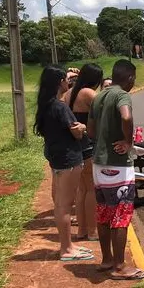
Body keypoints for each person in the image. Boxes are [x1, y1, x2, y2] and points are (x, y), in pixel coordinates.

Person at [87, 59, 144, 281]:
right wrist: (127, 141)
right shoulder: (122, 95)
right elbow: (126, 116)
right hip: (118, 165)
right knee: (121, 215)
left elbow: (91, 130)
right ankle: (120, 266)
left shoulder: (99, 96)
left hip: (99, 164)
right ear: (130, 78)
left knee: (104, 213)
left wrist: (104, 139)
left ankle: (106, 259)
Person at [33, 65, 92, 262]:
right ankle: (66, 249)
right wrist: (83, 127)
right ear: (60, 83)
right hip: (69, 158)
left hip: (56, 157)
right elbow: (76, 130)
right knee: (64, 206)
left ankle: (68, 245)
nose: (69, 82)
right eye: (67, 79)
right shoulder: (60, 106)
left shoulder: (46, 105)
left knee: (61, 203)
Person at [64, 63, 103, 242]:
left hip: (74, 145)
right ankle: (93, 231)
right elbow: (104, 114)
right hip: (88, 144)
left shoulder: (68, 94)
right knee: (91, 189)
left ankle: (81, 230)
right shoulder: (89, 93)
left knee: (81, 189)